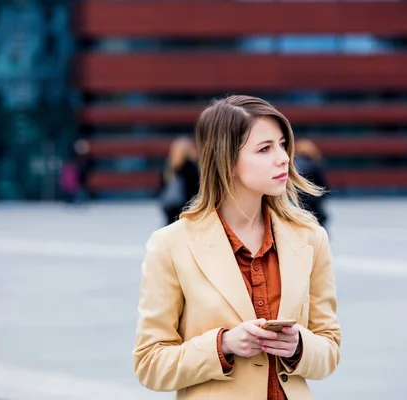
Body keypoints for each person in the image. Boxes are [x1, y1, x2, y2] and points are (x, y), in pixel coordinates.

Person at [134, 95, 341, 399]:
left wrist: (300, 346)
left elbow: (330, 349)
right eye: (265, 148)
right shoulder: (171, 245)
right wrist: (223, 345)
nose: (283, 157)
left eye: (283, 145)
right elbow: (149, 363)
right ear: (226, 159)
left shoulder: (310, 238)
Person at [159, 136, 200, 225]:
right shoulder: (191, 167)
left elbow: (161, 188)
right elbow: (196, 188)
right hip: (187, 206)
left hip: (171, 207)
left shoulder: (169, 168)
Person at [294, 139, 330, 228]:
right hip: (313, 208)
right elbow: (324, 189)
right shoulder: (314, 166)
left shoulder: (292, 166)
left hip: (296, 208)